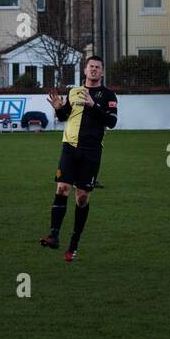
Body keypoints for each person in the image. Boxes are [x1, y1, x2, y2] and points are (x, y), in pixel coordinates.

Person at [37, 55, 119, 261]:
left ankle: (73, 244)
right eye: (90, 66)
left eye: (97, 67)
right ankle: (53, 235)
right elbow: (65, 116)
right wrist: (57, 108)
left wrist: (93, 105)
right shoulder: (74, 91)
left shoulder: (108, 95)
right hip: (69, 147)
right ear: (84, 70)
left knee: (81, 198)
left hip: (91, 151)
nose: (93, 70)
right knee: (62, 188)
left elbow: (112, 122)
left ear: (101, 73)